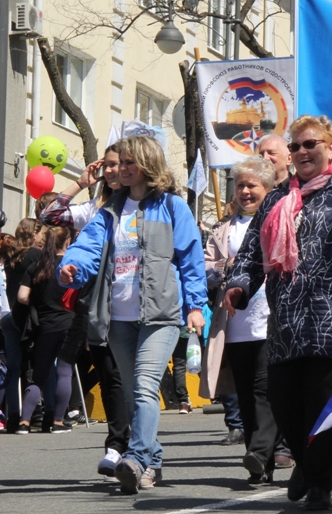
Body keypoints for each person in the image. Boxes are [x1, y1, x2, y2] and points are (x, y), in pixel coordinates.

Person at [225, 115, 332, 511]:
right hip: (286, 320)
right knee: (283, 403)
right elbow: (250, 253)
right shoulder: (277, 199)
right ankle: (305, 461)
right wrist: (239, 285)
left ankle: (319, 484)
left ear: (330, 147)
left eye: (309, 144)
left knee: (321, 406)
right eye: (295, 146)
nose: (301, 152)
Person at [58, 135, 207, 495]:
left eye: (128, 162)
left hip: (160, 315)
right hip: (118, 317)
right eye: (119, 162)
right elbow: (87, 246)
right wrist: (72, 266)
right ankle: (151, 464)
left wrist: (196, 306)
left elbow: (190, 259)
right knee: (130, 395)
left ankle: (136, 457)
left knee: (143, 388)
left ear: (147, 164)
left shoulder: (172, 207)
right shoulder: (110, 210)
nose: (120, 169)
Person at [36, 143, 129, 474]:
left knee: (132, 380)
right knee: (110, 377)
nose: (113, 171)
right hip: (100, 306)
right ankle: (120, 445)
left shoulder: (144, 207)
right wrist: (80, 182)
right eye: (109, 165)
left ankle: (135, 447)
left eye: (120, 165)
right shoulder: (94, 209)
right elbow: (47, 216)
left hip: (137, 303)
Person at [202, 156, 281, 486]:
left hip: (270, 319)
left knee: (265, 390)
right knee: (245, 395)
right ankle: (259, 460)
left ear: (268, 188)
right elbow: (207, 269)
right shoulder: (222, 227)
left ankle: (261, 453)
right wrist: (224, 269)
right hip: (234, 322)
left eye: (253, 185)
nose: (245, 191)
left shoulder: (279, 219)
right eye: (241, 185)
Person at [16, 227, 75, 434]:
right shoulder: (73, 266)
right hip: (69, 324)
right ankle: (58, 421)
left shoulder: (37, 267)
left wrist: (40, 301)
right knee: (64, 373)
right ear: (67, 241)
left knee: (39, 376)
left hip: (45, 326)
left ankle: (25, 422)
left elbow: (22, 297)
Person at [0, 219, 43, 433]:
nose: (41, 236)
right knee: (33, 368)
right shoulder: (35, 255)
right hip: (27, 318)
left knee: (13, 369)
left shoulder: (11, 256)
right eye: (39, 232)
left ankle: (13, 417)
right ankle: (34, 415)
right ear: (33, 233)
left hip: (10, 317)